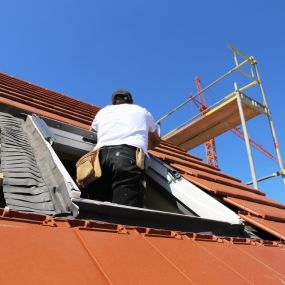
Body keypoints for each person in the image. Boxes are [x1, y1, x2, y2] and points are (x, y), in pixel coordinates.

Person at [87, 89, 160, 207]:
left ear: (113, 102)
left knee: (98, 209)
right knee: (125, 212)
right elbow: (156, 140)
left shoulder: (103, 111)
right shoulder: (142, 111)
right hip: (127, 157)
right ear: (131, 101)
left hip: (99, 159)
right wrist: (144, 146)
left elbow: (90, 133)